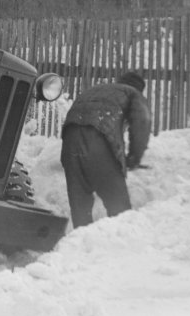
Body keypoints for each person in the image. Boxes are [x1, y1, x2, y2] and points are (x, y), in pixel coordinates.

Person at [60, 71, 151, 227]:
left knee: (80, 205)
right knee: (118, 206)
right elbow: (141, 123)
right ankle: (123, 244)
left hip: (70, 143)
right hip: (99, 141)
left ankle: (79, 245)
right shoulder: (133, 93)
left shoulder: (97, 90)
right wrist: (134, 157)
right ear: (139, 88)